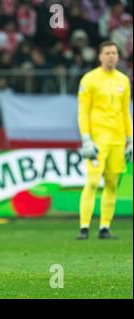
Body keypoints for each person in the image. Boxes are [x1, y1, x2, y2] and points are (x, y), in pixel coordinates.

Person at [77, 41, 133, 240]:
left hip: (118, 141)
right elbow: (83, 112)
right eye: (107, 53)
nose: (111, 56)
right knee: (92, 182)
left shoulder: (123, 80)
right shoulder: (89, 80)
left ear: (118, 56)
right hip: (98, 141)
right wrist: (86, 139)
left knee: (111, 183)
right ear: (100, 56)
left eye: (114, 53)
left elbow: (126, 112)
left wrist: (130, 139)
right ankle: (84, 227)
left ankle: (104, 228)